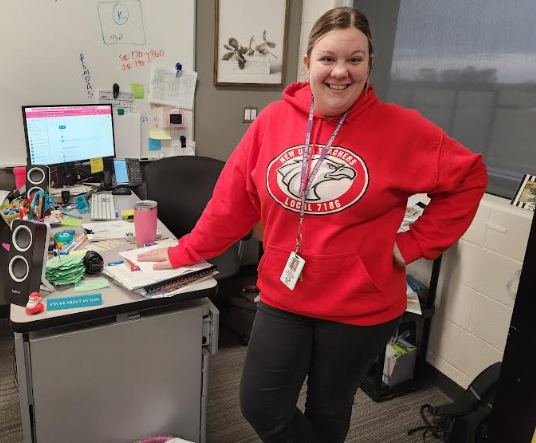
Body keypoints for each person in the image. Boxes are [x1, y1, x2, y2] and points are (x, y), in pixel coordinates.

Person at [138, 7, 488, 442]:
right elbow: (233, 203)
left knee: (329, 407)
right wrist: (183, 252)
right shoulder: (273, 121)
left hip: (361, 306)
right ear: (307, 64)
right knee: (261, 404)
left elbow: (469, 176)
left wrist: (415, 244)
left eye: (354, 59)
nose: (340, 72)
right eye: (328, 58)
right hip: (285, 296)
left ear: (369, 64)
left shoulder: (402, 128)